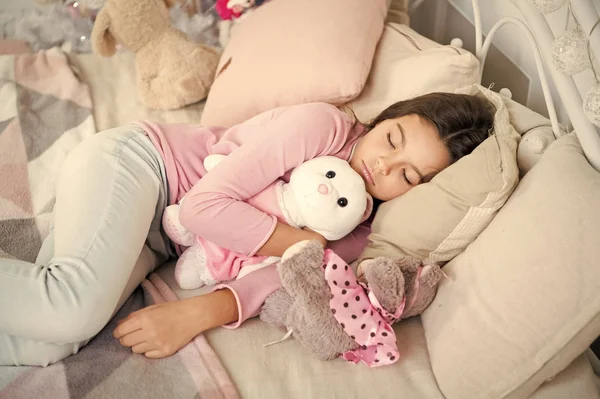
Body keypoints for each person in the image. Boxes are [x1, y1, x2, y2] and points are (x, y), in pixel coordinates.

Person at [0, 93, 495, 366]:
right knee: (68, 310)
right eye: (392, 138)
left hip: (159, 241)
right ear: (386, 118)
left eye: (408, 175)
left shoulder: (360, 226)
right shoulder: (323, 128)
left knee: (53, 342)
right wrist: (309, 244)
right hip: (143, 167)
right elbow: (202, 207)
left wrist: (198, 314)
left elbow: (280, 278)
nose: (384, 166)